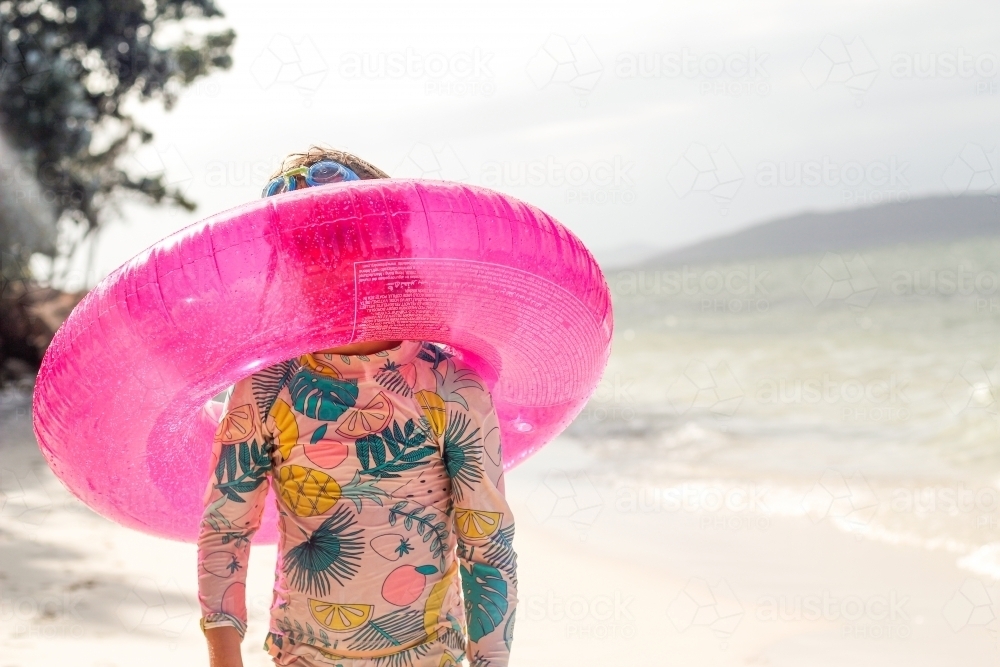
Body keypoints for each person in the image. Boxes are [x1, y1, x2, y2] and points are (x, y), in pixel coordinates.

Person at [196, 148, 518, 667]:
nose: (323, 264)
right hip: (303, 655)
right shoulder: (267, 388)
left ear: (392, 246)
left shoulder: (451, 388)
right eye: (303, 250)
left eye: (344, 243)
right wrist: (223, 658)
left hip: (429, 655)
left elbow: (488, 546)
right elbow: (226, 528)